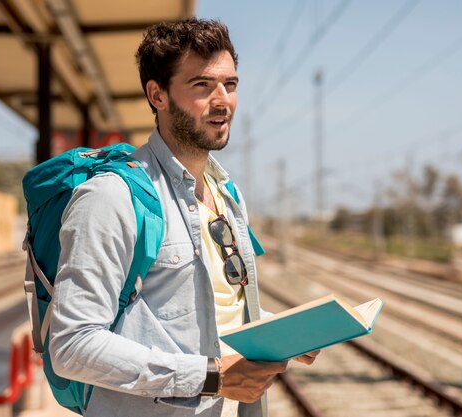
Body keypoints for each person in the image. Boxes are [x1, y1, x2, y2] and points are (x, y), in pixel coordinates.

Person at [49, 18, 319, 417]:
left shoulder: (227, 194)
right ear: (157, 95)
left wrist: (288, 330)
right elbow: (72, 346)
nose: (223, 99)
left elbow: (216, 306)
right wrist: (213, 378)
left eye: (231, 84)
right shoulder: (112, 196)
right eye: (202, 85)